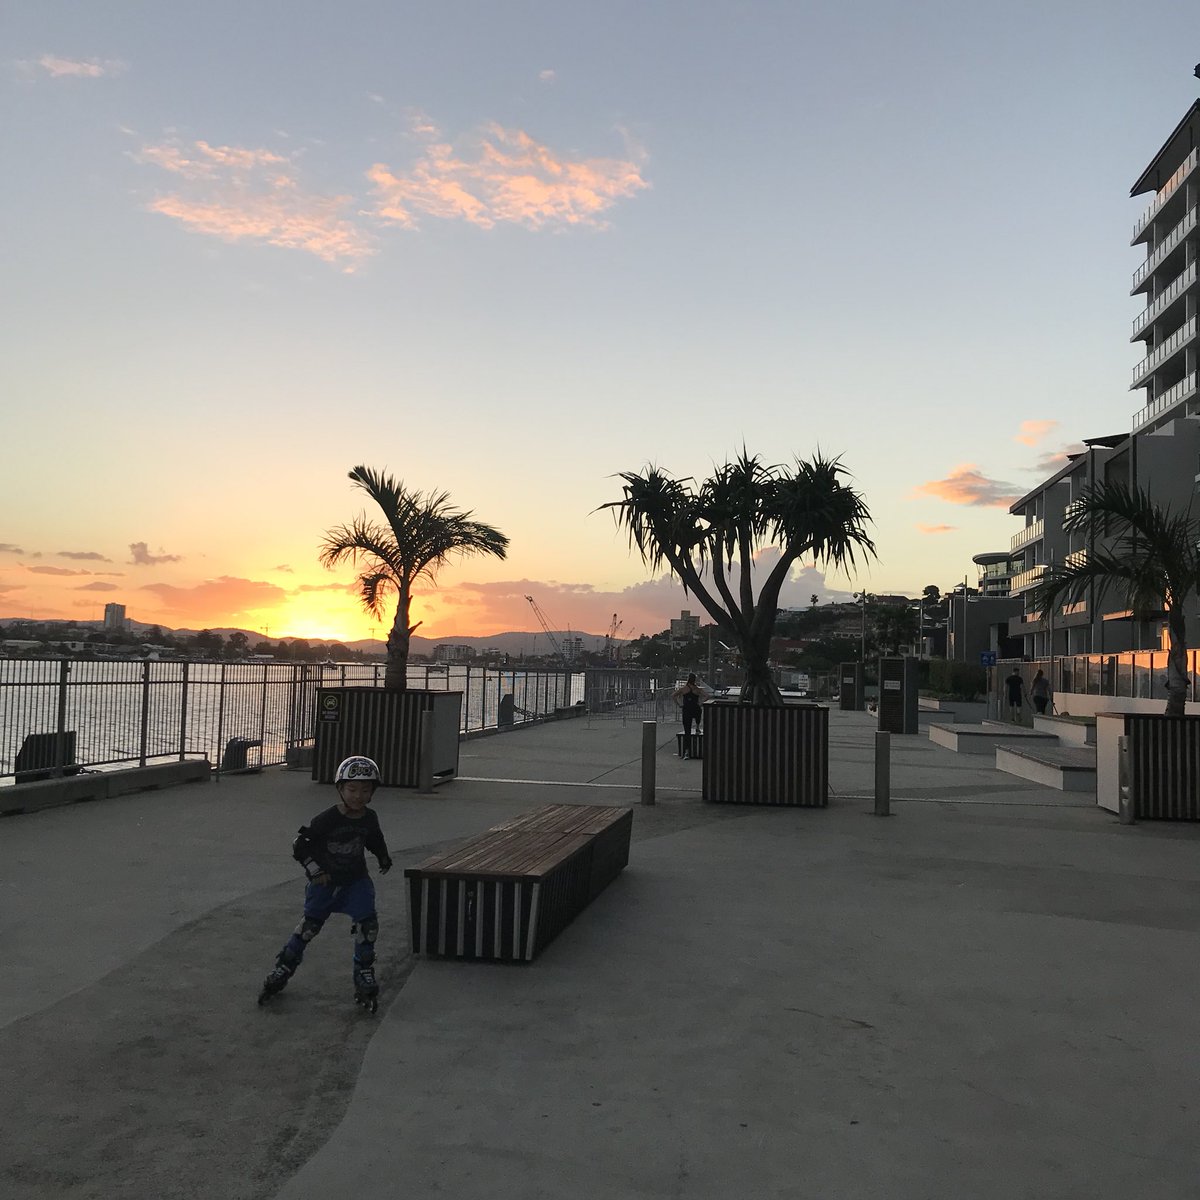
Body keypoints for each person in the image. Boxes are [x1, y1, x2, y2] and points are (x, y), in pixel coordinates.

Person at [258, 755, 393, 1012]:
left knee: (368, 925)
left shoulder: (369, 817)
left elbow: (374, 839)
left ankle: (363, 971)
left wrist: (383, 857)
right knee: (309, 927)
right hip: (326, 883)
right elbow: (300, 846)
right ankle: (284, 966)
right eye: (352, 789)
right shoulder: (328, 818)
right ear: (340, 789)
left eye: (365, 790)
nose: (358, 796)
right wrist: (315, 870)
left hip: (356, 881)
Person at [673, 673, 708, 757]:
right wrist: (701, 703)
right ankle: (697, 726)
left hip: (686, 710)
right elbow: (707, 696)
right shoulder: (697, 689)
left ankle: (686, 752)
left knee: (687, 731)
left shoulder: (684, 689)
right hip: (695, 708)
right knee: (698, 715)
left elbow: (673, 695)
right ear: (694, 680)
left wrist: (679, 704)